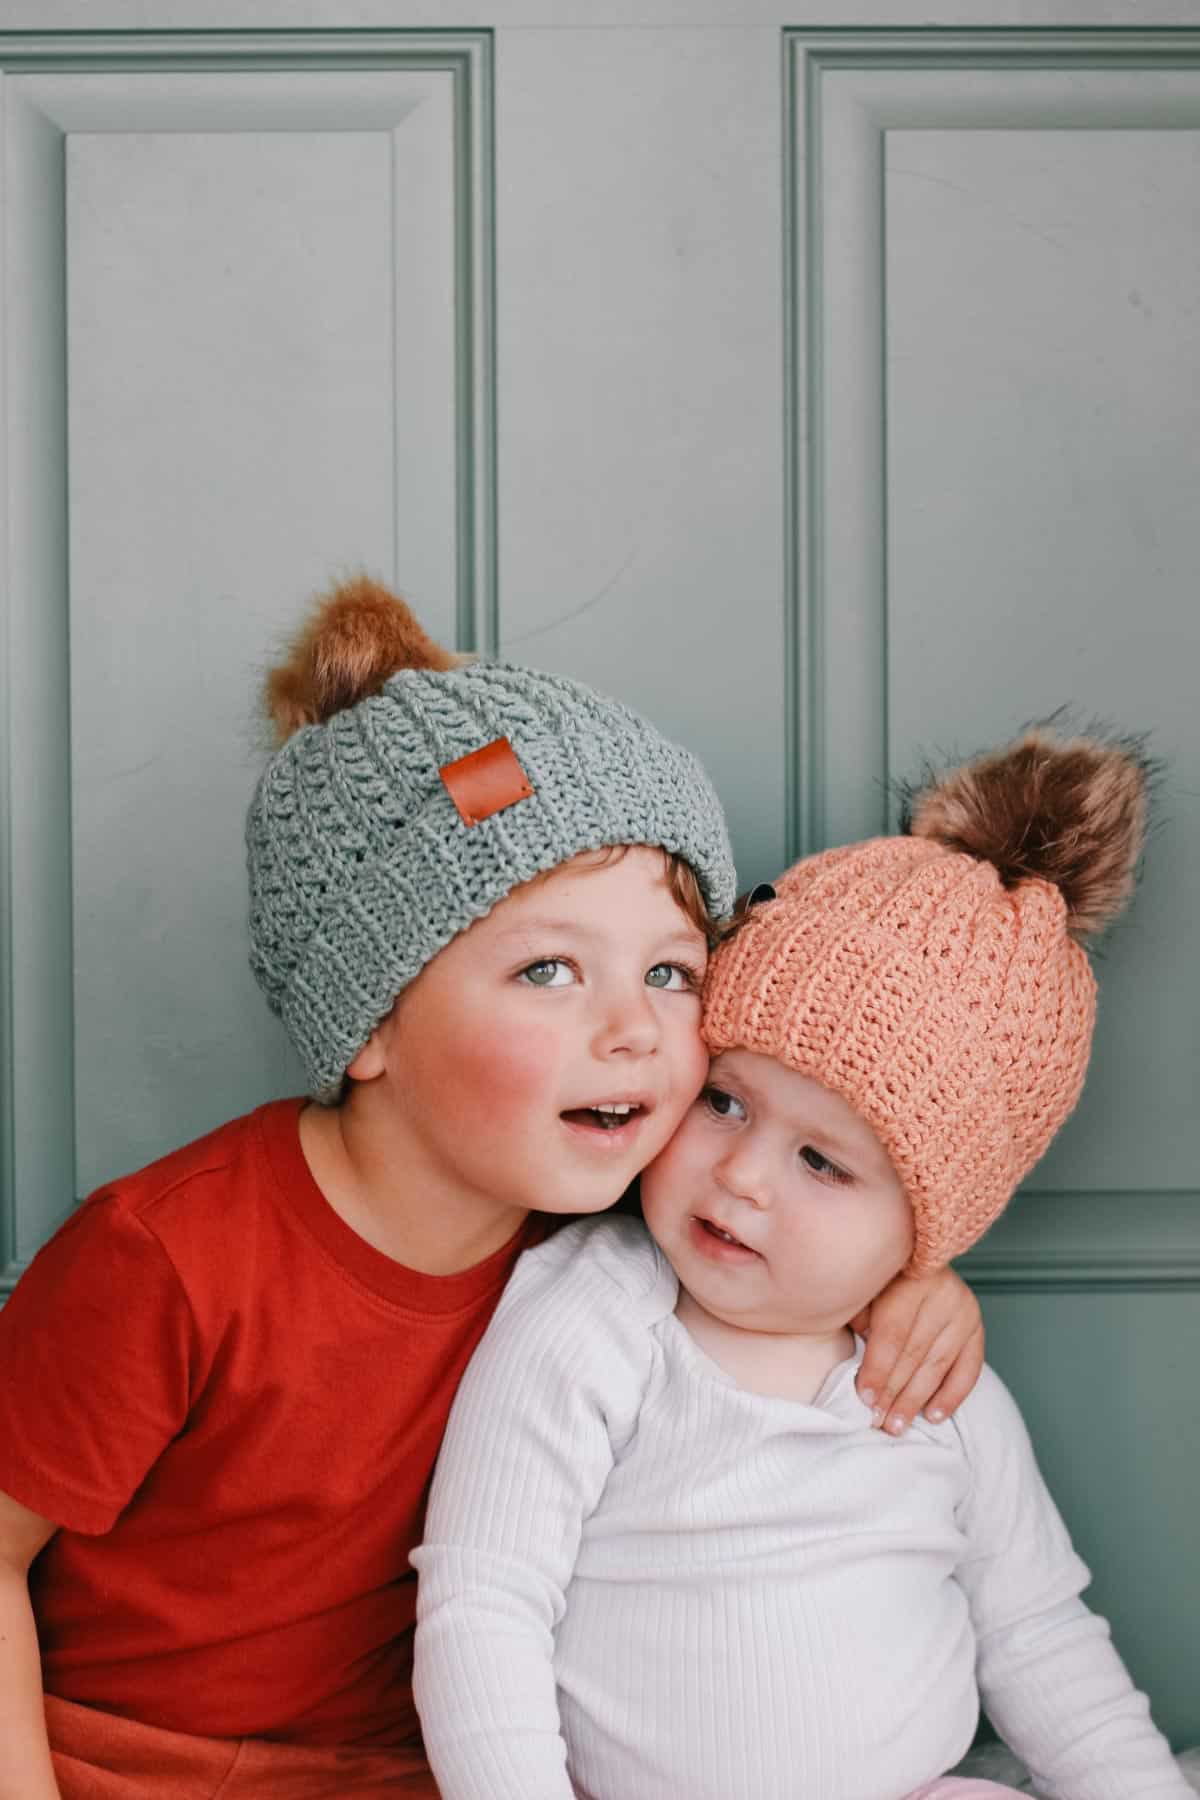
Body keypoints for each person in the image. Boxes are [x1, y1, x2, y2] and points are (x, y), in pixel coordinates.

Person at [0, 580, 985, 1799]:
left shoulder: (619, 1234)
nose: (633, 1030)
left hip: (419, 1770)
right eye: (552, 968)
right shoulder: (166, 1255)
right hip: (124, 1767)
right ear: (371, 1023)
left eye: (674, 972)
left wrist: (915, 1286)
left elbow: (794, 1239)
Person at [413, 724, 1191, 1800]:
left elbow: (1038, 1635)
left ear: (925, 1228)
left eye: (824, 1163)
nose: (742, 1179)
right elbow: (485, 1602)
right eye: (724, 1100)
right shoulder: (594, 1316)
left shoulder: (932, 1383)